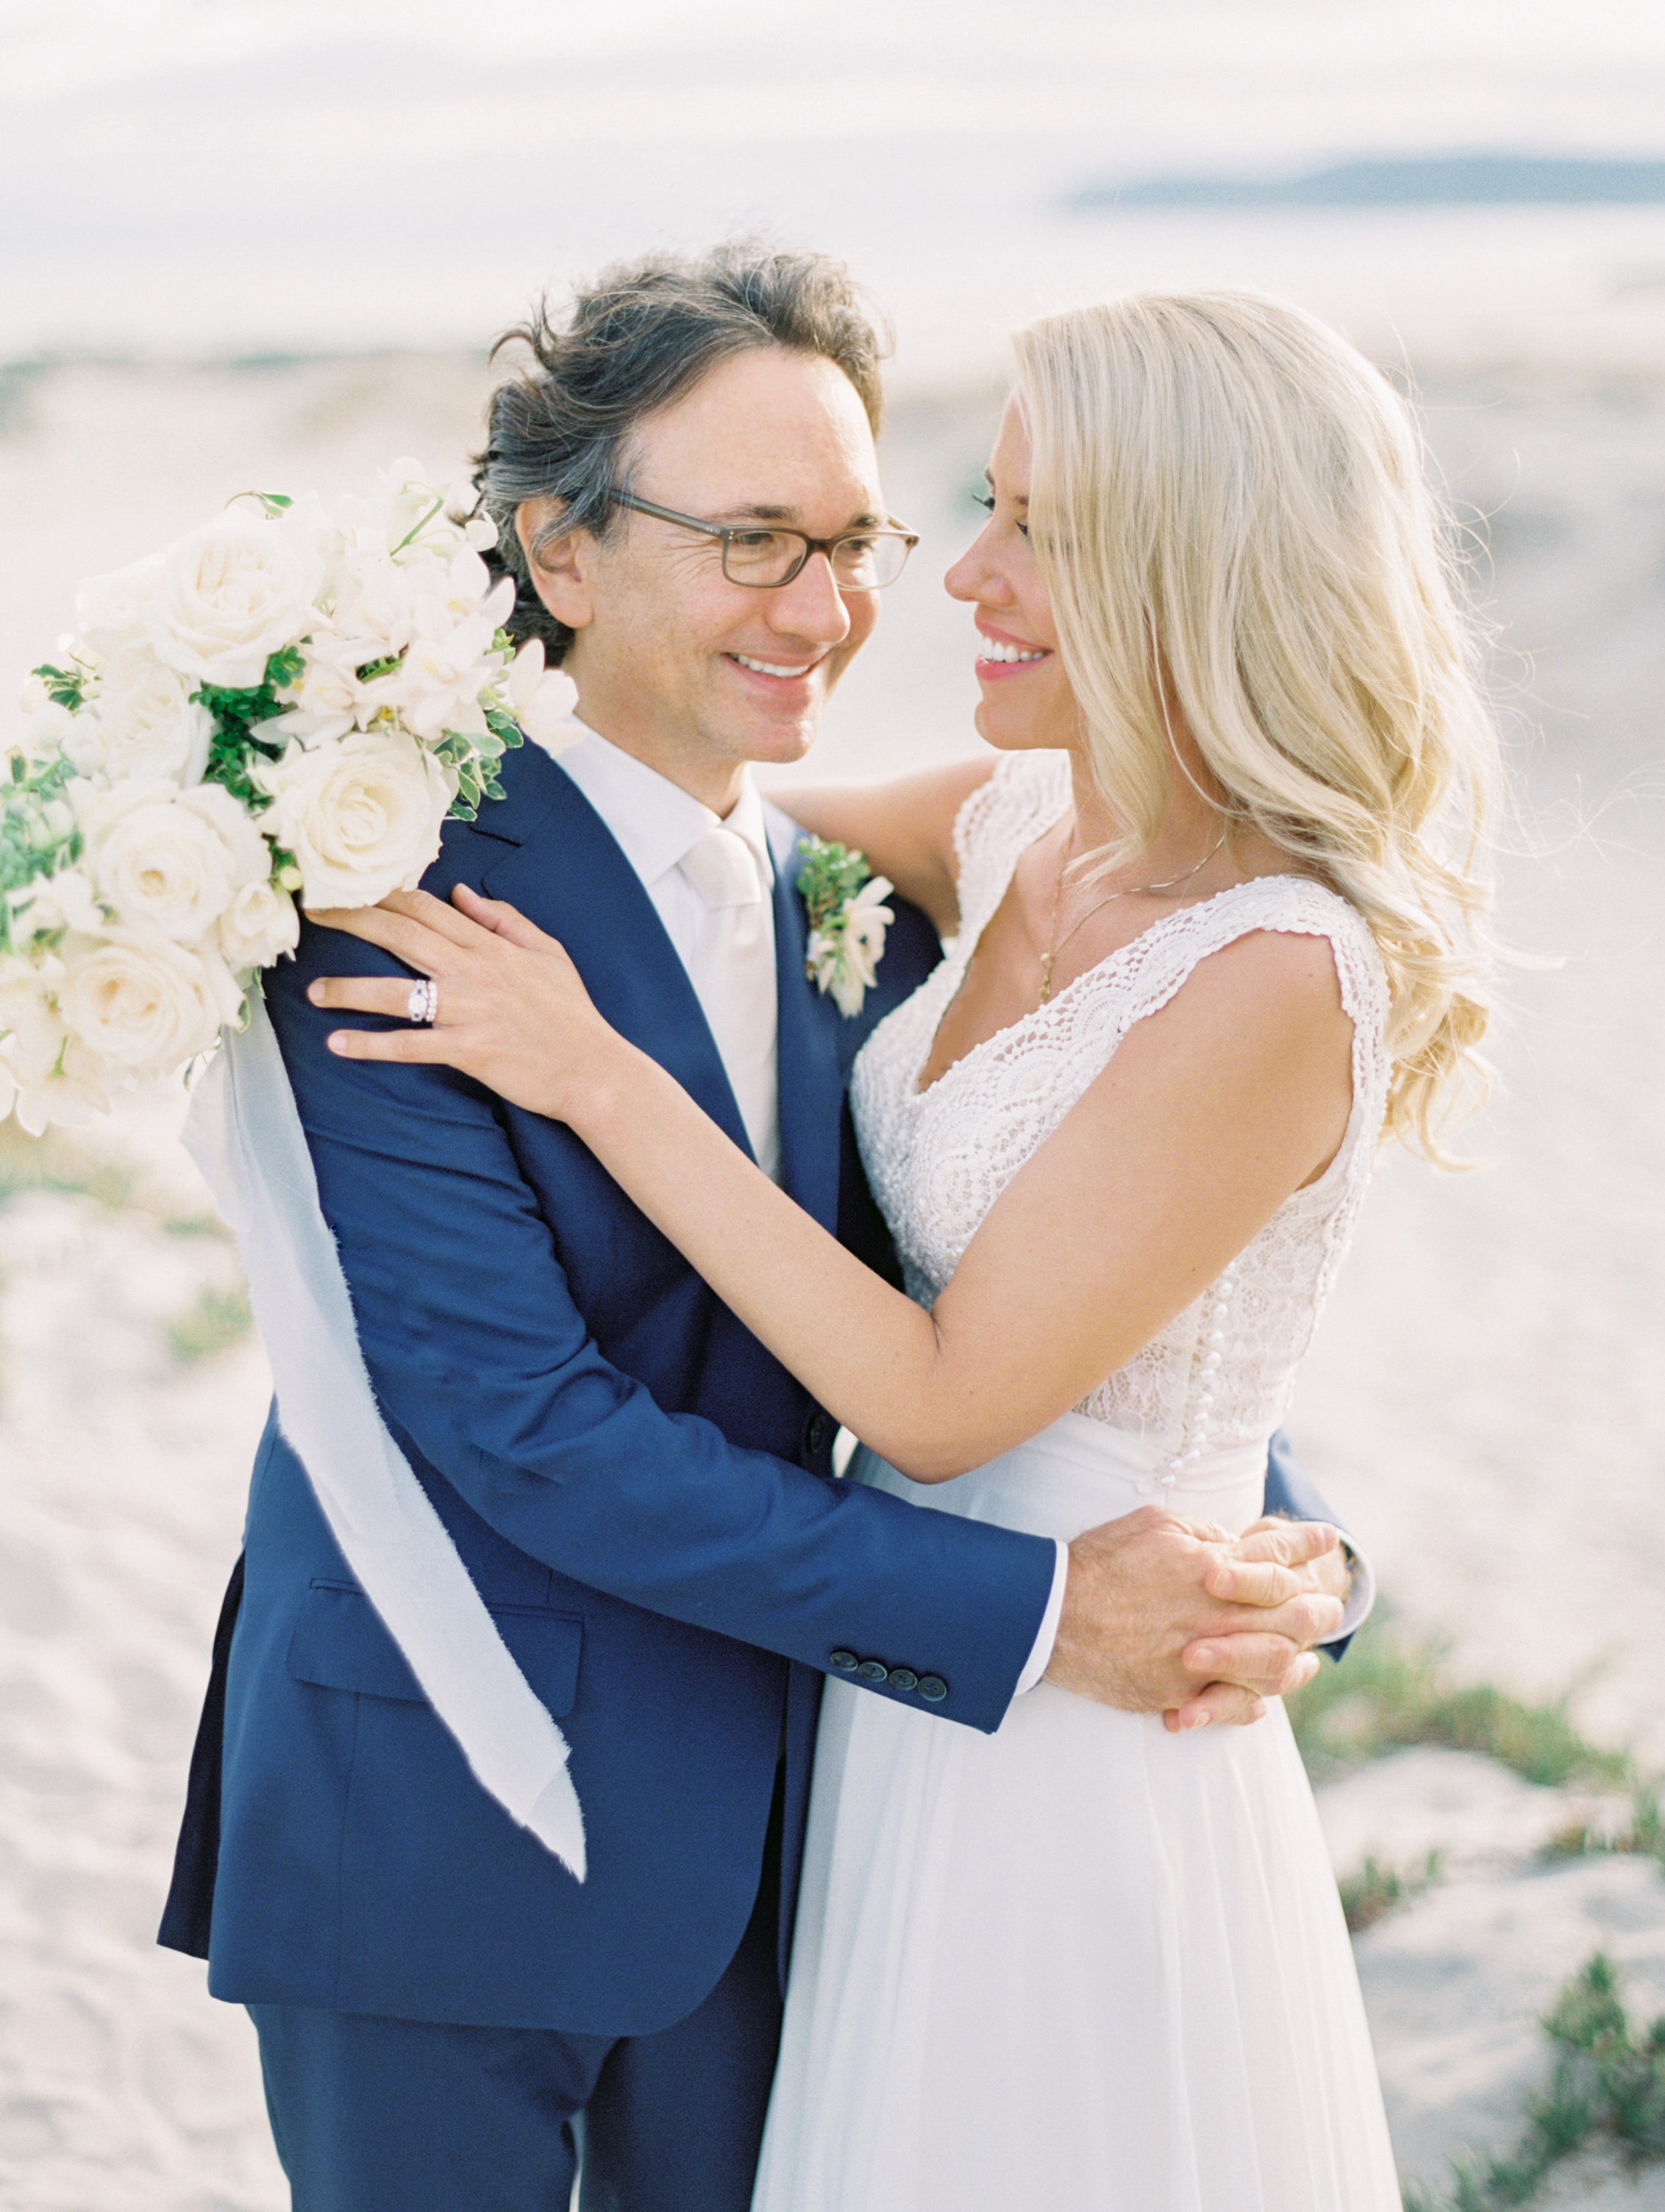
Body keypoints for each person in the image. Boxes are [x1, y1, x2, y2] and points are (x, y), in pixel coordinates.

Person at [160, 249, 1358, 2212]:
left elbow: (1030, 1258)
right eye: (750, 544)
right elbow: (519, 1427)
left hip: (794, 1826)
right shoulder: (401, 909)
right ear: (562, 555)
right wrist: (1053, 1616)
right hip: (437, 1819)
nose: (827, 611)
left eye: (853, 537)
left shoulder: (862, 894)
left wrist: (1274, 1545)